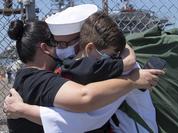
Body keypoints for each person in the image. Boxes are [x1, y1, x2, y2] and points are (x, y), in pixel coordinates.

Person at [3, 6, 163, 133]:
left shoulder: (106, 69)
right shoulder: (42, 79)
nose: (62, 51)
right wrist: (132, 78)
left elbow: (84, 113)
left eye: (64, 44)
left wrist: (24, 110)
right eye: (57, 44)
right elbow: (84, 104)